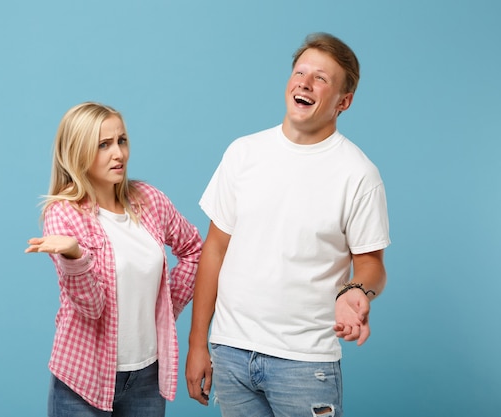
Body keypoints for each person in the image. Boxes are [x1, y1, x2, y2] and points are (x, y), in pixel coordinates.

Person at [185, 33, 390, 417]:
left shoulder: (358, 174)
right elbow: (214, 249)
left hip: (305, 361)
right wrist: (199, 341)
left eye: (321, 78)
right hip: (230, 352)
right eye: (300, 72)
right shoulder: (243, 153)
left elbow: (372, 264)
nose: (305, 83)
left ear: (343, 102)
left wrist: (356, 291)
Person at [26, 102, 202, 417]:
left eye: (121, 141)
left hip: (147, 376)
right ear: (77, 153)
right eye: (103, 145)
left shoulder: (150, 200)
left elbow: (194, 250)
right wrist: (75, 256)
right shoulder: (64, 215)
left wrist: (163, 308)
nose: (118, 153)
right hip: (84, 379)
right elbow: (91, 308)